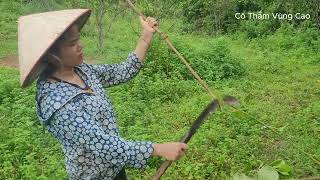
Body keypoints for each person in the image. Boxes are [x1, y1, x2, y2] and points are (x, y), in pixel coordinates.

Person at [18, 9, 187, 179]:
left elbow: (121, 72)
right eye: (72, 44)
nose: (80, 46)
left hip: (114, 168)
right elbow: (103, 144)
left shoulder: (81, 70)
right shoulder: (56, 102)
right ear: (51, 56)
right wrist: (158, 149)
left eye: (78, 39)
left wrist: (146, 36)